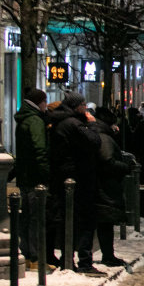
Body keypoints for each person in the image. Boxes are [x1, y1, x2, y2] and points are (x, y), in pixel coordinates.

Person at [48, 92, 103, 274]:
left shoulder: (61, 122)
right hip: (78, 177)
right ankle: (84, 261)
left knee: (68, 220)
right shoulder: (73, 124)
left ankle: (67, 260)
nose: (85, 107)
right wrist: (93, 125)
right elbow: (94, 142)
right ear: (76, 106)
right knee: (85, 220)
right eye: (83, 104)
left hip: (65, 177)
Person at [91, 107, 135, 267]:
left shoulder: (99, 134)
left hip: (102, 184)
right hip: (105, 185)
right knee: (105, 221)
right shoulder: (104, 137)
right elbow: (108, 161)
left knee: (104, 222)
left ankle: (106, 254)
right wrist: (124, 166)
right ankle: (107, 255)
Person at [14, 87, 51, 270]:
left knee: (27, 216)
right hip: (34, 176)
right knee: (35, 217)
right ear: (40, 102)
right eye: (45, 101)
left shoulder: (23, 119)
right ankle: (35, 257)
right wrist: (45, 173)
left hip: (25, 175)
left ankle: (28, 254)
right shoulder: (35, 121)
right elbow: (40, 150)